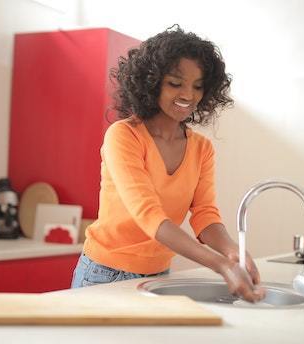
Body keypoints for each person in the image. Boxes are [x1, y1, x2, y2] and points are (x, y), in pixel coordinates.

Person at [71, 25, 265, 303]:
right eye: (176, 83)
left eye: (198, 86)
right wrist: (221, 265)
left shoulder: (202, 149)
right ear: (152, 82)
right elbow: (149, 216)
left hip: (158, 275)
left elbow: (205, 215)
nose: (188, 94)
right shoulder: (124, 136)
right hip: (103, 274)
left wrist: (233, 251)